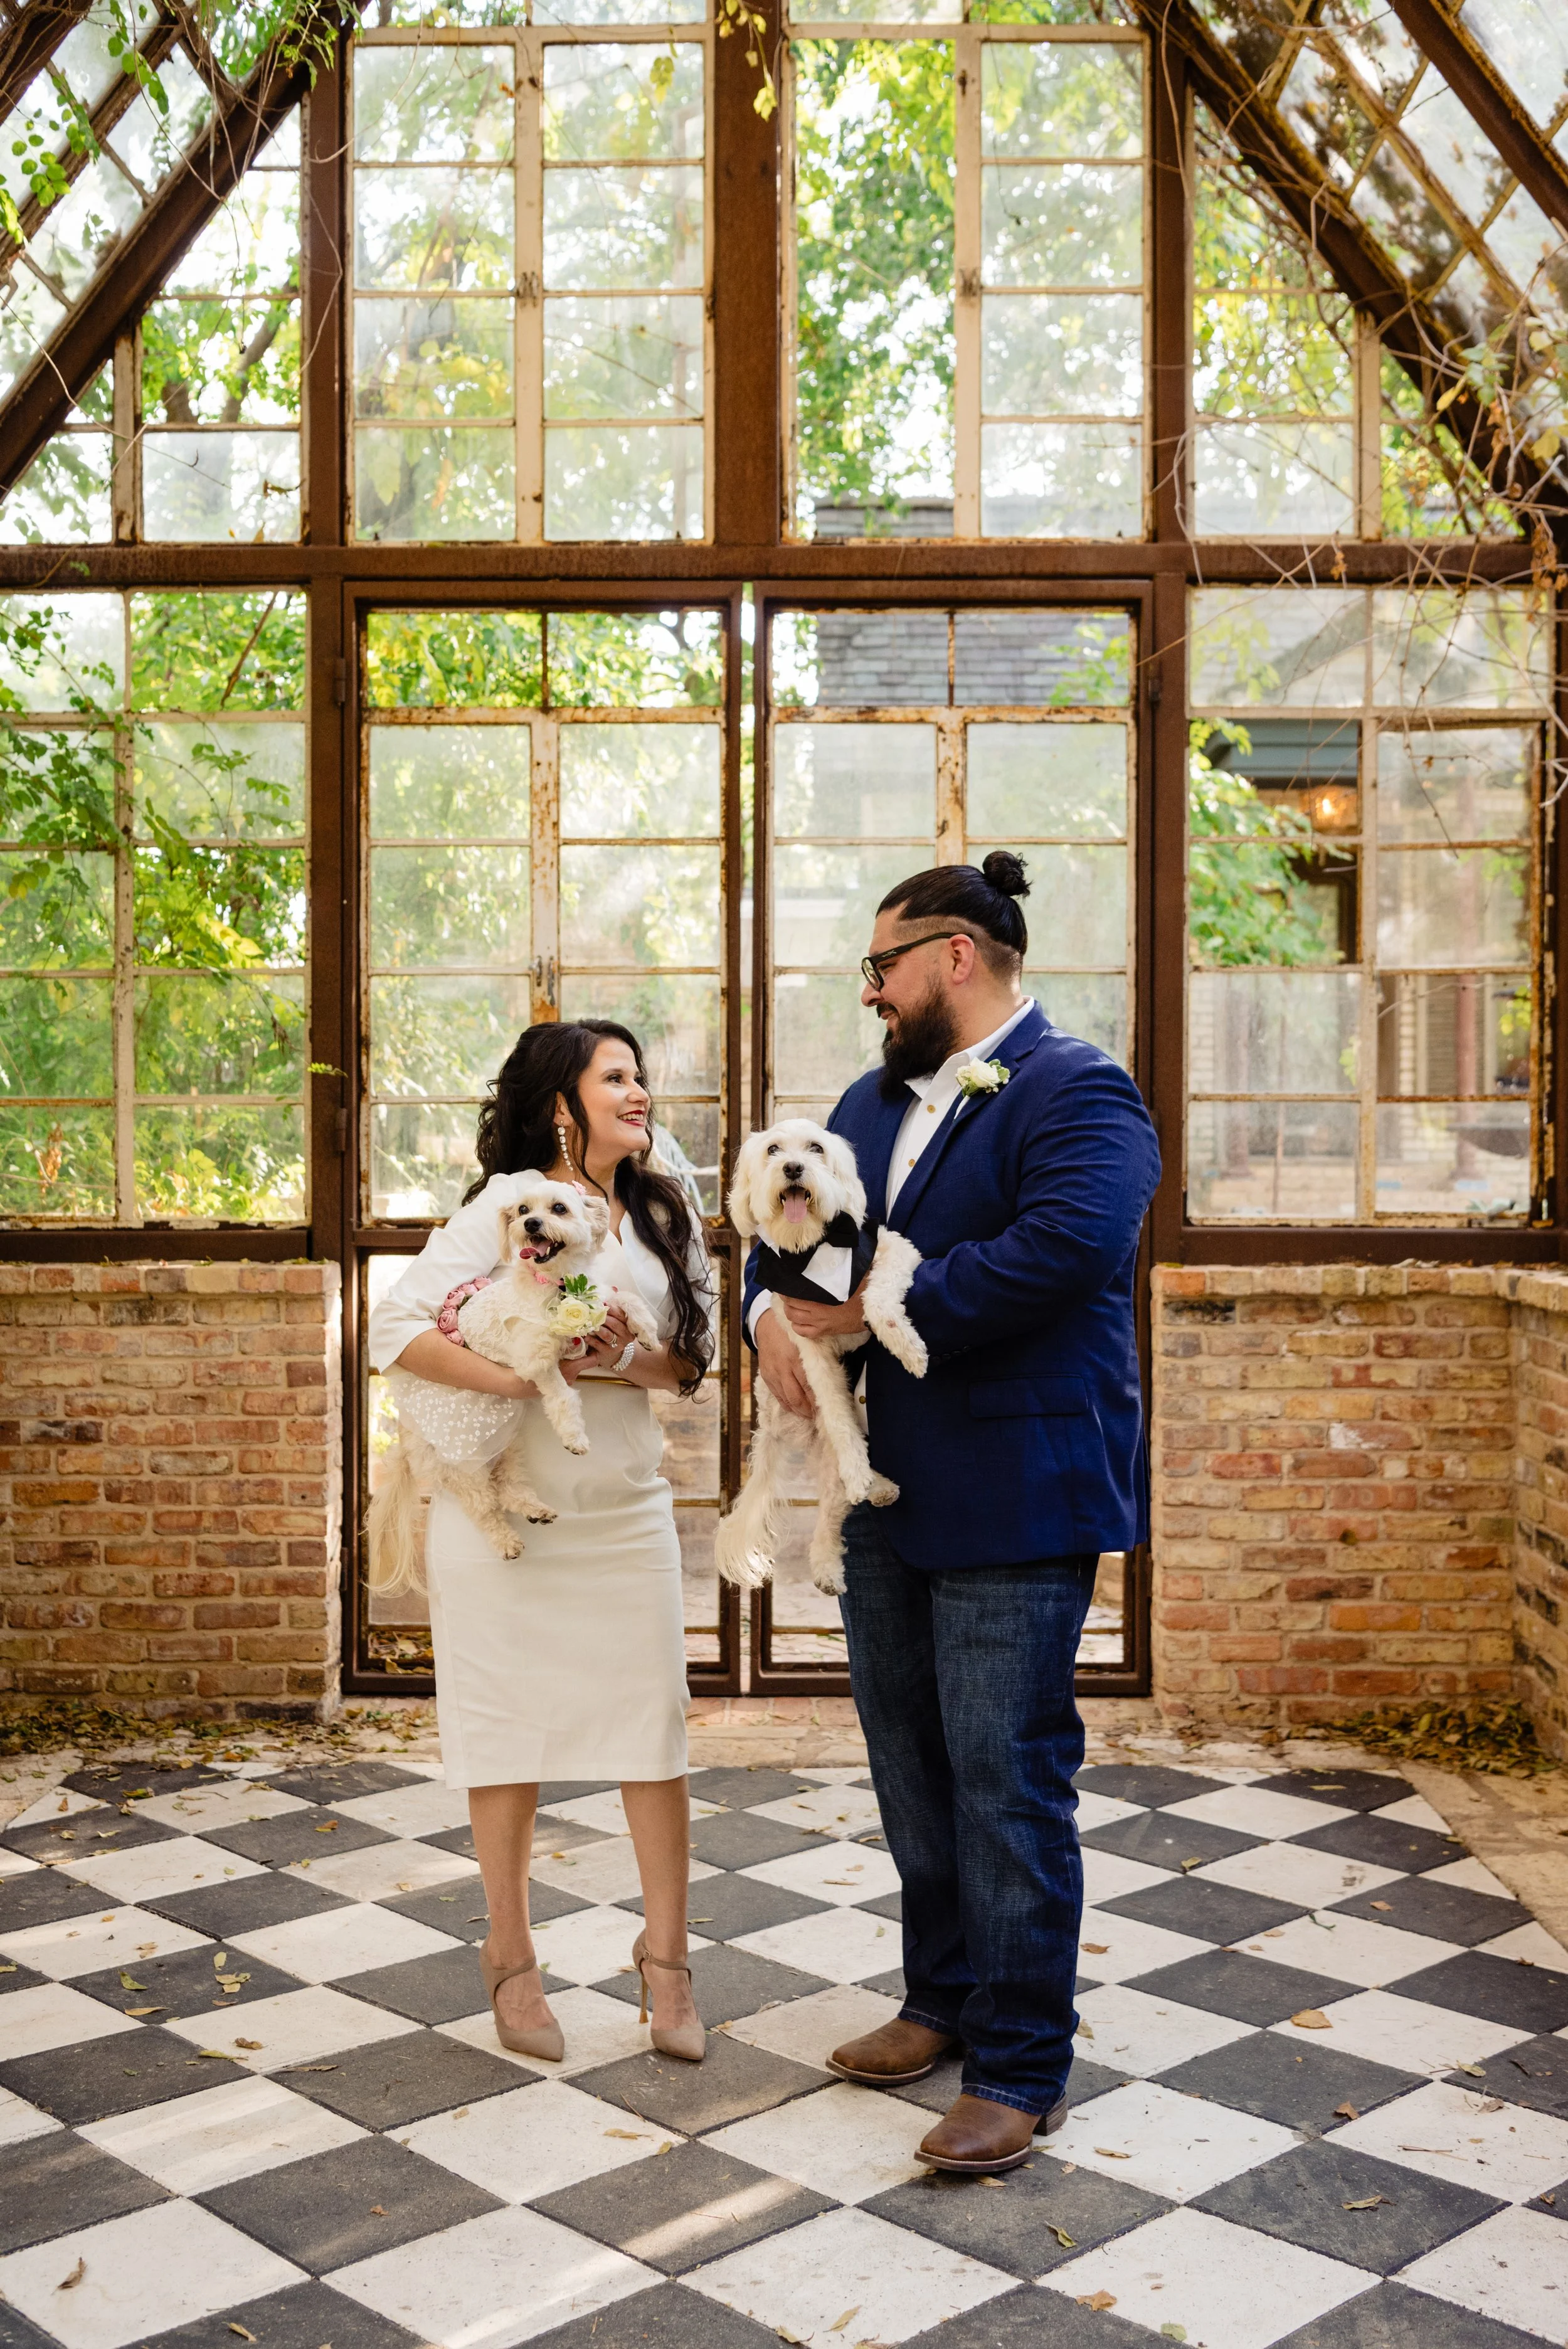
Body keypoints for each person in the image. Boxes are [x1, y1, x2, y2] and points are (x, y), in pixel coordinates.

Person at [744, 852, 1160, 2175]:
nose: (868, 992)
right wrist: (763, 1315)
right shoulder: (865, 1103)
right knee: (911, 1765)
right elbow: (774, 1233)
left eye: (880, 966)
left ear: (953, 958)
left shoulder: (1078, 1088)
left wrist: (868, 1310)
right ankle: (940, 2001)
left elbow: (1069, 1247)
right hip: (881, 1493)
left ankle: (1023, 2061)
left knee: (1003, 1772)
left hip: (1016, 1490)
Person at [368, 1021, 715, 2067]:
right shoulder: (509, 1203)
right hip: (508, 1519)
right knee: (505, 1733)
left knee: (654, 1733)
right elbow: (397, 1328)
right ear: (564, 1104)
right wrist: (523, 1379)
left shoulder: (664, 1211)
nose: (640, 1092)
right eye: (617, 1078)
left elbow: (691, 1368)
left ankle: (667, 1963)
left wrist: (622, 1360)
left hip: (623, 1509)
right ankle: (512, 1962)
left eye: (641, 1076)